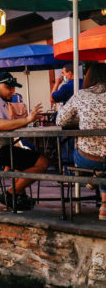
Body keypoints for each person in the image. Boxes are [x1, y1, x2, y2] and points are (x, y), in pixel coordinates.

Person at [0, 72, 49, 211]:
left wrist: (23, 122)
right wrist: (26, 120)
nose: (12, 91)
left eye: (13, 88)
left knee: (29, 157)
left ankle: (18, 194)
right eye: (9, 88)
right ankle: (11, 194)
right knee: (43, 162)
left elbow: (6, 124)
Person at [57, 63, 106, 220]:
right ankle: (104, 205)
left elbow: (60, 120)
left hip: (87, 159)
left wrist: (81, 119)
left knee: (98, 163)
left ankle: (96, 176)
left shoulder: (81, 95)